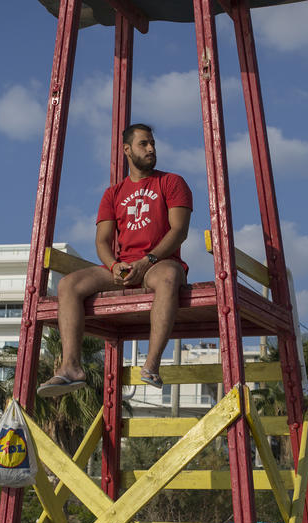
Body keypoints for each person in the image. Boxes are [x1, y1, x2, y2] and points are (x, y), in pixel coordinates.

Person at [38, 123, 192, 397]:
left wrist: (147, 261)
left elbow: (179, 230)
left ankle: (151, 365)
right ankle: (71, 367)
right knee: (68, 285)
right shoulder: (113, 193)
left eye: (152, 143)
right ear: (127, 150)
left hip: (159, 263)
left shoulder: (171, 182)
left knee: (168, 277)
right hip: (123, 267)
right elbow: (102, 241)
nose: (151, 148)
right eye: (144, 144)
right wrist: (113, 265)